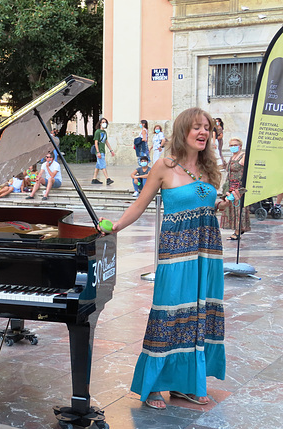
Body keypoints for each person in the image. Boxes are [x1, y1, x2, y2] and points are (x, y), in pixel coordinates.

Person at [100, 107, 234, 410]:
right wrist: (118, 225)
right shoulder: (164, 166)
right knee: (169, 312)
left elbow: (208, 206)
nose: (203, 133)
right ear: (183, 131)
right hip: (176, 254)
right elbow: (139, 204)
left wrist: (220, 204)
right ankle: (153, 386)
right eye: (197, 127)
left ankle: (187, 384)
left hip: (207, 254)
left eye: (207, 128)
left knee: (200, 313)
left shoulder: (210, 170)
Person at [220, 137, 250, 240]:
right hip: (230, 186)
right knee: (231, 208)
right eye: (231, 145)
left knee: (238, 209)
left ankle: (237, 232)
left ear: (240, 146)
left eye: (234, 145)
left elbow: (247, 171)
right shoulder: (232, 157)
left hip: (238, 187)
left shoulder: (243, 156)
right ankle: (237, 229)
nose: (232, 147)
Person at [92, 118, 115, 185]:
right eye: (103, 122)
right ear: (100, 123)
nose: (104, 123)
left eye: (105, 122)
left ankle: (94, 179)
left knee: (98, 166)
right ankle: (107, 179)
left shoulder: (104, 132)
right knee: (103, 165)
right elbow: (96, 142)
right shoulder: (98, 132)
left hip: (103, 151)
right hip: (100, 151)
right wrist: (98, 152)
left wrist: (111, 150)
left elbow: (106, 142)